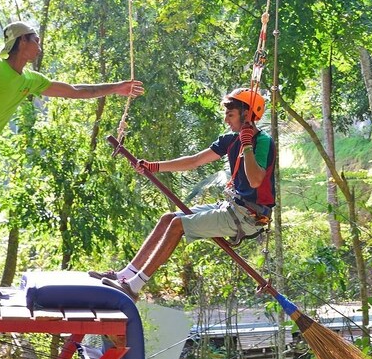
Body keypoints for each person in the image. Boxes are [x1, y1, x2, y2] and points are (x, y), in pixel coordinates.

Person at [0, 21, 144, 306]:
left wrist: (117, 88)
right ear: (21, 42)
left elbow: (74, 90)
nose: (39, 45)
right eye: (35, 39)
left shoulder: (29, 80)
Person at [93, 88, 275, 300]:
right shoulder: (230, 140)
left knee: (177, 225)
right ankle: (125, 275)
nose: (226, 120)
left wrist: (247, 147)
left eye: (230, 114)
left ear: (247, 115)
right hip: (233, 207)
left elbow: (255, 180)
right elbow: (195, 160)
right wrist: (153, 166)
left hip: (249, 216)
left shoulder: (262, 142)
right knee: (168, 218)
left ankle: (134, 287)